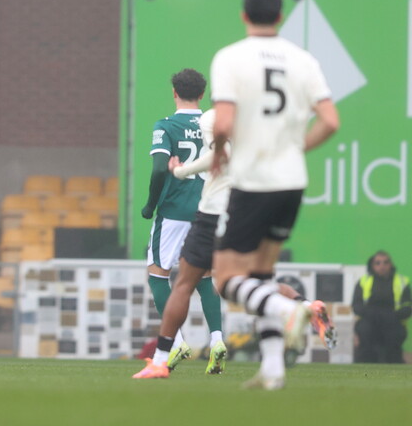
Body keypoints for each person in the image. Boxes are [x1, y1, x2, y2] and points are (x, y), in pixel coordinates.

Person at [134, 108, 337, 380]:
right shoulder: (256, 119)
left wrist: (183, 172)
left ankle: (161, 359)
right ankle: (306, 305)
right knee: (253, 282)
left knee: (186, 283)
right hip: (251, 207)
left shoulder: (214, 117)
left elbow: (221, 155)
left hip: (213, 212)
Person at [209, 0, 340, 390]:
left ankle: (289, 310)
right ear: (280, 16)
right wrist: (297, 147)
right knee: (262, 275)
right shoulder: (304, 60)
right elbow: (331, 121)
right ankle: (272, 369)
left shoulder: (230, 57)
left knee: (225, 278)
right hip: (292, 181)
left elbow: (225, 122)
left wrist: (217, 152)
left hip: (254, 179)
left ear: (243, 15)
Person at [138, 69, 223, 370]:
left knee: (158, 274)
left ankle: (176, 343)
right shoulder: (213, 125)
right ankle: (217, 339)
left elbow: (160, 168)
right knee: (204, 275)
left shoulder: (166, 126)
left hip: (174, 212)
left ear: (174, 91)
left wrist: (150, 205)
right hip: (207, 211)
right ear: (202, 94)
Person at [351, 251, 411, 363]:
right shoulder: (363, 282)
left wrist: (391, 316)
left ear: (391, 264)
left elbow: (407, 307)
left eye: (385, 262)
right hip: (369, 320)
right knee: (365, 331)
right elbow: (356, 306)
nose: (382, 266)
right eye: (377, 263)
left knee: (394, 338)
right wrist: (372, 314)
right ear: (372, 265)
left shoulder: (402, 282)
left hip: (393, 320)